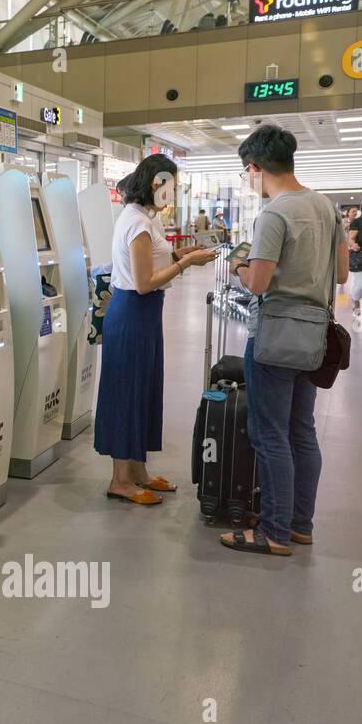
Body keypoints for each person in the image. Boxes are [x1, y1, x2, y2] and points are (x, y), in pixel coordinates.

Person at [225, 125, 347, 556]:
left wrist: (240, 266)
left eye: (246, 174)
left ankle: (273, 532)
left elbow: (257, 284)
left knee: (270, 434)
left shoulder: (274, 214)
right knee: (301, 431)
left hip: (273, 335)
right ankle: (299, 525)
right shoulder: (328, 209)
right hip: (313, 338)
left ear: (255, 169)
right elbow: (341, 275)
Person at [94, 155, 217, 504]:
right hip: (132, 313)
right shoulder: (136, 222)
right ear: (155, 184)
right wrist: (186, 264)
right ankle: (120, 480)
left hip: (146, 315)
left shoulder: (150, 220)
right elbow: (144, 282)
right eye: (172, 187)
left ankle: (139, 472)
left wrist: (181, 255)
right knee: (127, 392)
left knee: (145, 389)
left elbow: (155, 263)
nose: (174, 193)